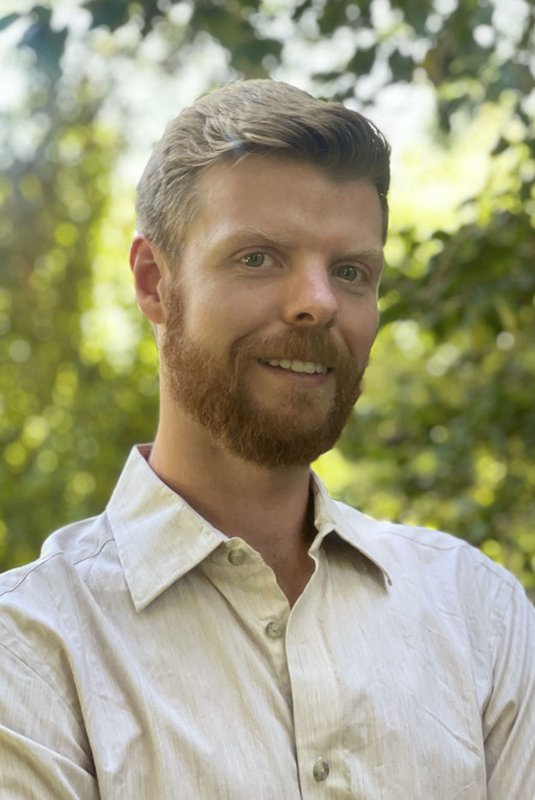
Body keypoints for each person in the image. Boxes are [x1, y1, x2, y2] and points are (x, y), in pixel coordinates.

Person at [0, 79, 533, 799]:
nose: (316, 301)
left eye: (350, 272)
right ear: (155, 283)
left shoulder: (480, 615)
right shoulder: (30, 648)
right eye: (257, 257)